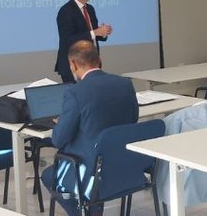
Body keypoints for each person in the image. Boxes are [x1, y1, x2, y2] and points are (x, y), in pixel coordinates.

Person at [42, 41, 138, 216]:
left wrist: (62, 122)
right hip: (124, 165)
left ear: (73, 64)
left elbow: (58, 140)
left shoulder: (75, 92)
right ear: (99, 60)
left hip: (91, 168)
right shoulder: (125, 84)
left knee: (49, 175)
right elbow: (132, 121)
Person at [55, 0, 112, 83]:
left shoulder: (90, 9)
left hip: (91, 63)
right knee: (77, 98)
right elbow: (68, 39)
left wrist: (103, 32)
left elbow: (92, 34)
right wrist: (95, 32)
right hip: (74, 65)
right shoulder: (66, 11)